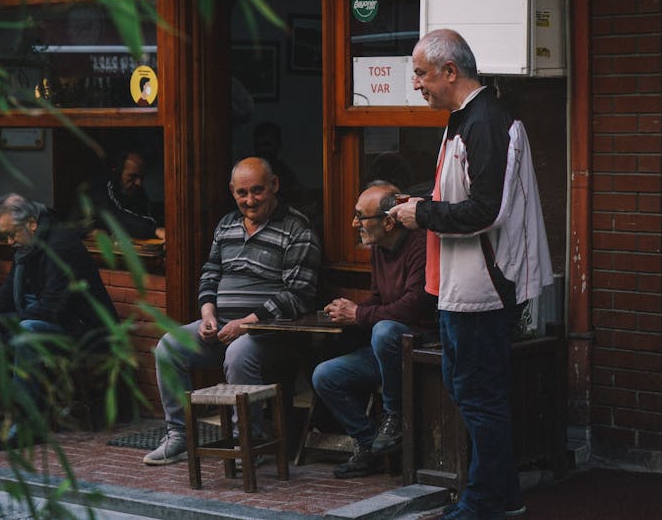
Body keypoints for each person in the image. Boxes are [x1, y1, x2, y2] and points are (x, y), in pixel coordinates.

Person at [388, 29, 553, 520]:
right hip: (463, 285)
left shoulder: (485, 121)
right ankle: (500, 496)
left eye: (420, 73)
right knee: (468, 389)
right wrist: (421, 204)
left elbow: (486, 209)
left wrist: (424, 215)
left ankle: (484, 502)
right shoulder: (467, 119)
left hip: (483, 285)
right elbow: (467, 196)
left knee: (479, 394)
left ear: (450, 71)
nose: (416, 84)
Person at [143, 157, 321, 465]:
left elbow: (298, 294)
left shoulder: (297, 228)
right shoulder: (226, 225)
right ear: (232, 191)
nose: (250, 200)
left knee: (238, 353)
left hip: (272, 332)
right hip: (222, 325)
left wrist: (247, 323)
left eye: (257, 191)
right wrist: (208, 312)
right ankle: (179, 437)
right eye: (242, 193)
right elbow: (210, 272)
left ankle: (248, 441)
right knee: (169, 347)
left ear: (274, 185)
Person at [0, 193, 118, 450]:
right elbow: (7, 294)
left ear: (32, 223)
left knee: (27, 331)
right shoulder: (27, 246)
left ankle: (27, 425)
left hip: (84, 330)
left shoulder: (61, 246)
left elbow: (52, 309)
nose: (10, 242)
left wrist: (0, 323)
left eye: (13, 234)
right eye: (6, 236)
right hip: (48, 321)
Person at [312, 181, 435, 478]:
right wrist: (348, 312)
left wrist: (358, 314)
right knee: (325, 376)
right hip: (388, 350)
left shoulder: (421, 245)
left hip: (424, 344)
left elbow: (414, 306)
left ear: (389, 221)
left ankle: (394, 417)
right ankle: (369, 446)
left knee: (384, 331)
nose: (355, 223)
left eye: (360, 216)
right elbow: (379, 300)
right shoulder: (379, 249)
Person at [87, 150, 164, 240]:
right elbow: (113, 216)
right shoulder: (102, 186)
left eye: (141, 177)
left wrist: (160, 229)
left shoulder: (136, 190)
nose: (139, 183)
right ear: (117, 173)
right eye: (132, 176)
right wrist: (155, 230)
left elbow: (148, 215)